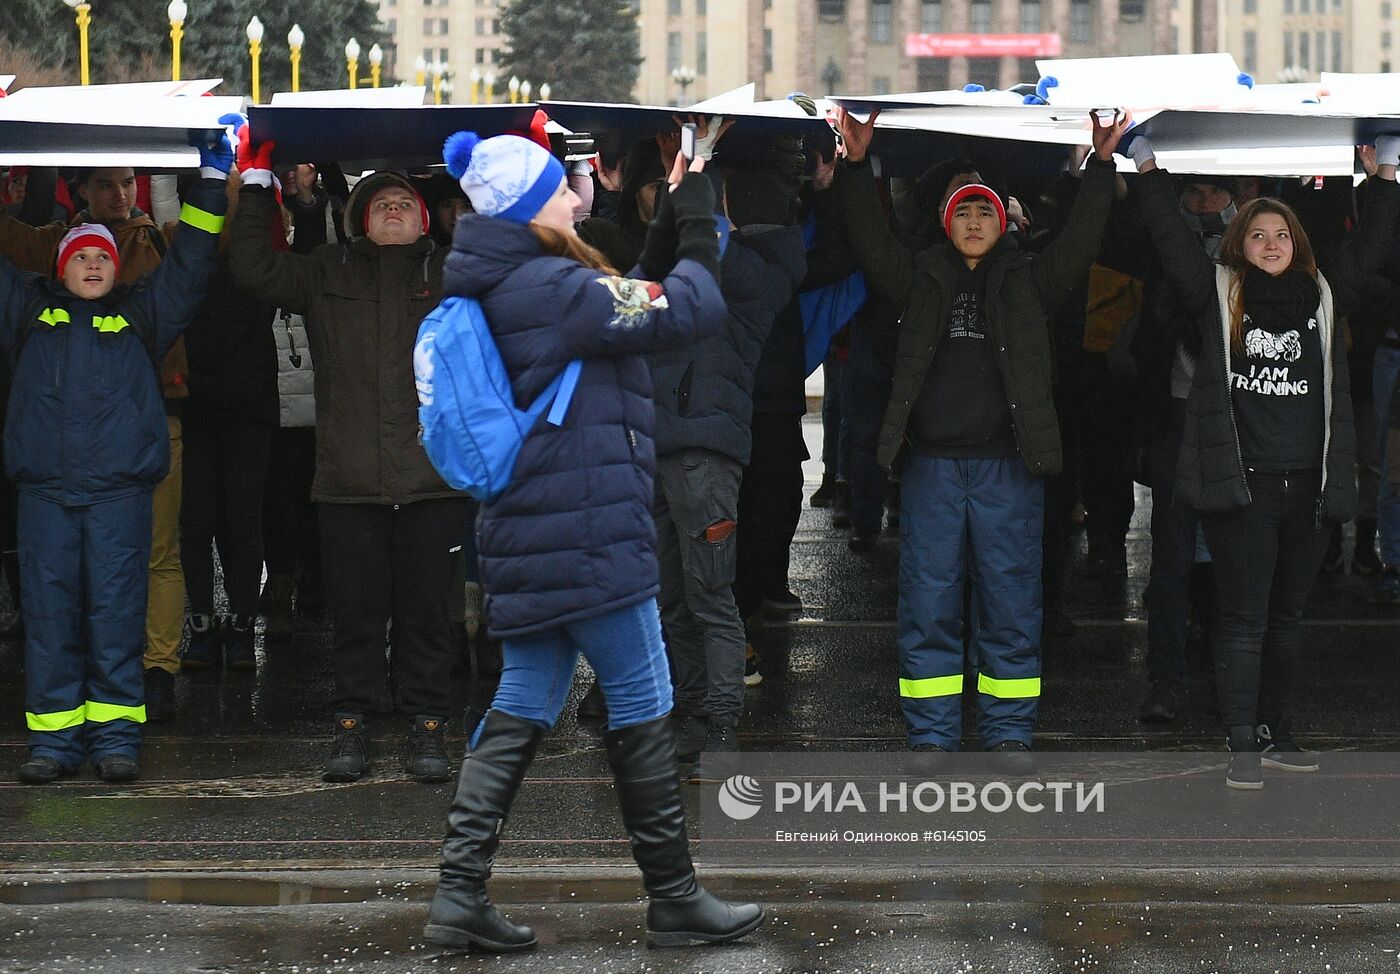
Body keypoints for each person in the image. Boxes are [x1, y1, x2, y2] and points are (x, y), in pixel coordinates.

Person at [422, 129, 762, 953]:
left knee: (521, 704)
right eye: (564, 185)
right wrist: (694, 219)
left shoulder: (516, 280)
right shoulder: (557, 292)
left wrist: (666, 226)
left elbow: (624, 292)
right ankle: (674, 897)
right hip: (590, 539)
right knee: (645, 706)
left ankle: (458, 896)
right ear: (534, 205)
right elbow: (687, 306)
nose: (580, 192)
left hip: (535, 538)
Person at [832, 107, 1131, 763]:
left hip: (1007, 471)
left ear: (1005, 222)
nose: (974, 223)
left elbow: (1080, 243)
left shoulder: (1029, 280)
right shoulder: (921, 275)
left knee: (1010, 601)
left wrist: (1102, 164)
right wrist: (856, 168)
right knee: (929, 604)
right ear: (945, 220)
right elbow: (869, 239)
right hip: (933, 470)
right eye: (964, 212)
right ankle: (933, 733)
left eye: (986, 213)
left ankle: (1007, 729)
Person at [1127, 133, 1400, 788]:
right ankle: (1243, 743)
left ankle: (1280, 734)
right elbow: (1168, 238)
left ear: (1297, 244)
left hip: (1306, 490)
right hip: (1242, 489)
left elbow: (1371, 248)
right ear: (1238, 246)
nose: (1272, 242)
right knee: (1243, 620)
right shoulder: (1219, 292)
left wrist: (1385, 175)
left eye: (1282, 233)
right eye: (1258, 235)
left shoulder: (1324, 295)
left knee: (1288, 619)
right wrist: (1144, 167)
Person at [226, 118, 469, 785]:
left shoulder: (453, 272)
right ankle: (352, 726)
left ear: (425, 222)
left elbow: (528, 264)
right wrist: (255, 185)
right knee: (356, 617)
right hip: (347, 481)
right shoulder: (327, 270)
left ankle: (426, 728)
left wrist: (530, 175)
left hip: (432, 482)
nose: (393, 208)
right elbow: (252, 267)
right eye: (380, 203)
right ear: (361, 219)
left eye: (405, 204)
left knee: (427, 618)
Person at [11, 138, 231, 784]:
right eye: (78, 256)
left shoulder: (142, 315)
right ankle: (53, 742)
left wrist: (213, 178)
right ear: (60, 266)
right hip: (46, 495)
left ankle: (114, 738)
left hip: (118, 497)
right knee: (50, 618)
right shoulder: (29, 313)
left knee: (114, 615)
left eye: (99, 257)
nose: (90, 265)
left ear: (114, 268)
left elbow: (191, 260)